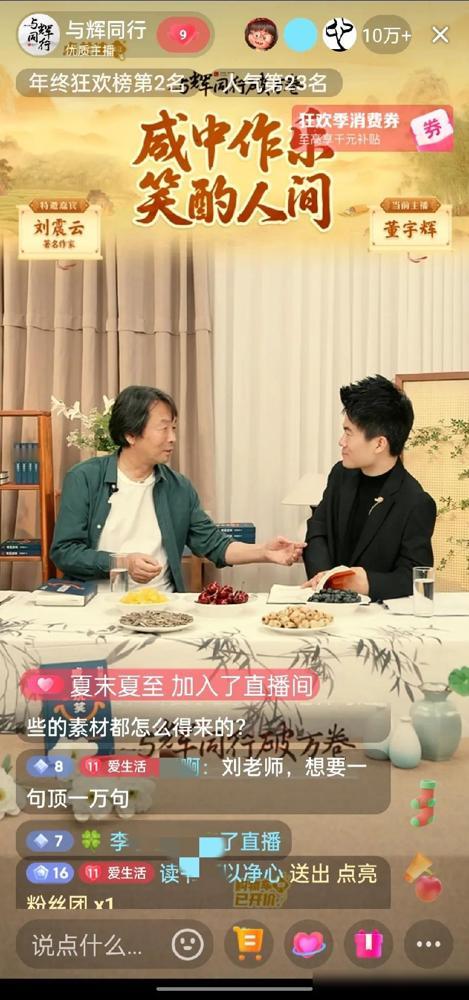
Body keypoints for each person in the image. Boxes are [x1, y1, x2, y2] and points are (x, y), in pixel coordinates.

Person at [51, 385, 304, 589]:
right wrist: (121, 562)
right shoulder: (84, 478)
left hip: (162, 607)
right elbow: (64, 552)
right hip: (97, 605)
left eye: (173, 428)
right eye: (163, 429)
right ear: (130, 435)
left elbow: (214, 544)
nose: (172, 438)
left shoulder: (178, 487)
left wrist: (264, 552)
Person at [302, 375, 437, 601]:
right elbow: (318, 531)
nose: (341, 441)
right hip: (329, 607)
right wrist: (325, 578)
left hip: (378, 616)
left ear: (379, 443)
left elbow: (414, 576)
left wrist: (366, 582)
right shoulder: (340, 475)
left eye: (348, 432)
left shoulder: (416, 502)